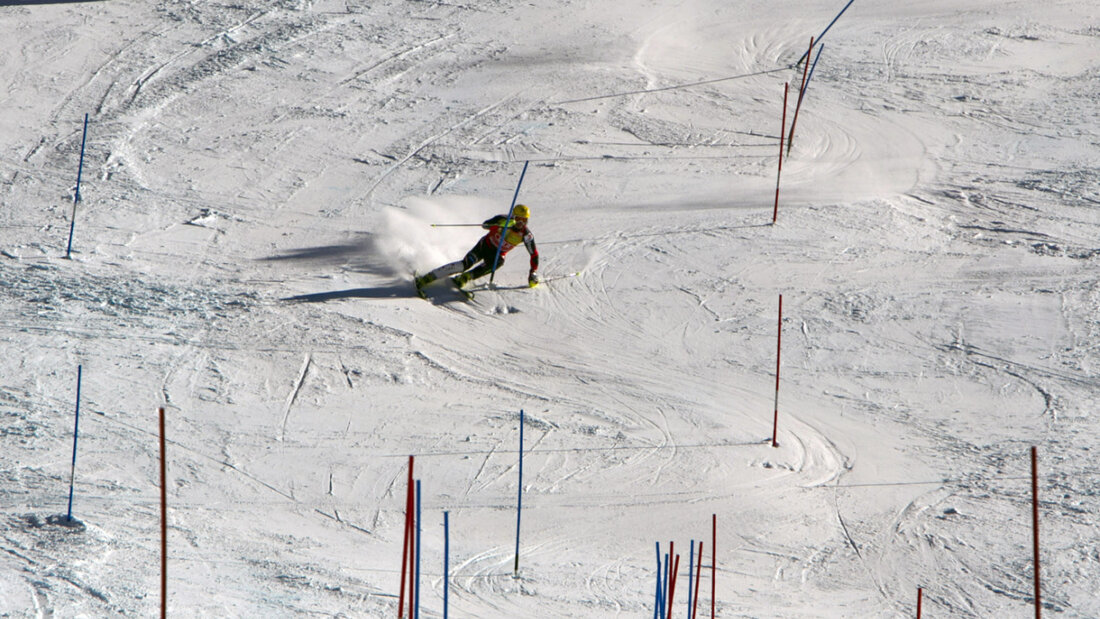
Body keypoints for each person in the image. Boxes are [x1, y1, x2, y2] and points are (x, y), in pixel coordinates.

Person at [415, 204, 540, 293]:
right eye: (518, 219)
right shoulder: (503, 219)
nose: (521, 223)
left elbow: (534, 254)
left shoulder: (526, 235)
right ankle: (428, 277)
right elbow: (485, 225)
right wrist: (499, 223)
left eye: (524, 220)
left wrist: (532, 273)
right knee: (465, 264)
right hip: (484, 246)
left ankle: (465, 278)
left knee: (499, 262)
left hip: (497, 254)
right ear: (514, 216)